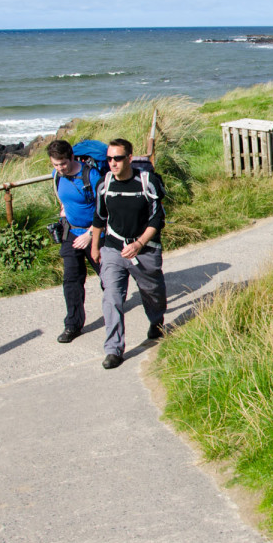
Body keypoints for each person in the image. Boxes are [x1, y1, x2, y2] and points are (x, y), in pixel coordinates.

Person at [90, 139, 167, 370]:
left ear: (129, 158)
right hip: (113, 248)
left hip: (144, 250)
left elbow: (157, 219)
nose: (112, 163)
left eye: (118, 158)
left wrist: (140, 243)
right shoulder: (104, 185)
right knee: (111, 296)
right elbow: (99, 218)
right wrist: (95, 247)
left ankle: (156, 321)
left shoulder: (147, 182)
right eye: (109, 159)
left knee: (152, 292)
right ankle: (113, 349)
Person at [47, 139, 102, 344]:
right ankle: (72, 325)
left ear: (71, 157)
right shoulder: (56, 177)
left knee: (108, 277)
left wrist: (90, 234)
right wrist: (64, 210)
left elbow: (104, 208)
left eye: (63, 163)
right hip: (70, 234)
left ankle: (114, 311)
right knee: (71, 280)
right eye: (55, 164)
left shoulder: (91, 175)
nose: (60, 168)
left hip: (95, 234)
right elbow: (64, 198)